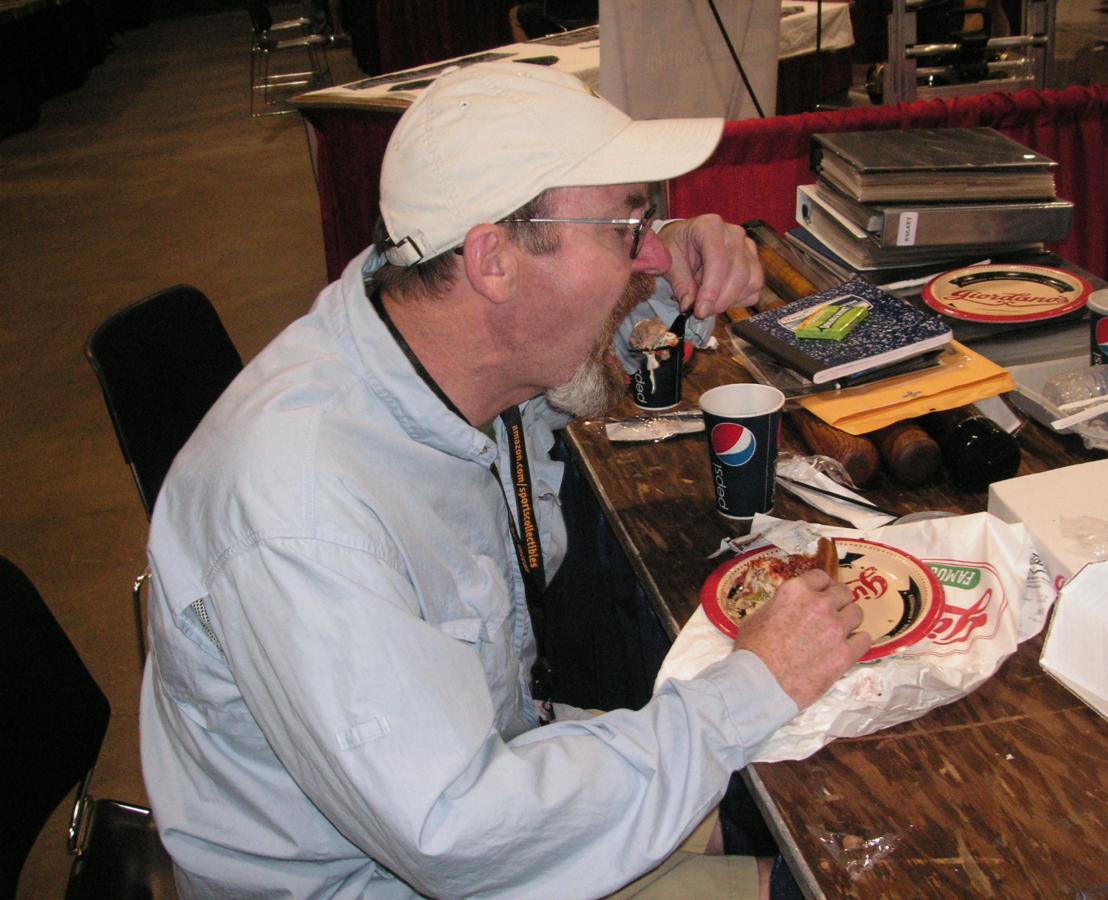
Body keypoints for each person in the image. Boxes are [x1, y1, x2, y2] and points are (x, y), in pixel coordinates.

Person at [139, 62, 869, 898]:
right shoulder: (306, 514)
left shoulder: (425, 333)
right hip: (410, 867)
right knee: (816, 868)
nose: (649, 248)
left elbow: (563, 367)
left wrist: (673, 272)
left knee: (777, 803)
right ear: (493, 259)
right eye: (626, 226)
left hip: (493, 756)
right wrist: (754, 687)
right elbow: (461, 833)